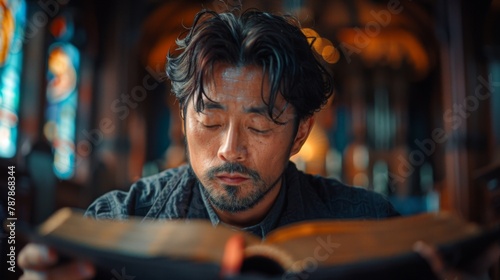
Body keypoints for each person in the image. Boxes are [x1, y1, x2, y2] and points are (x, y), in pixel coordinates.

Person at [18, 7, 499, 280]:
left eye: (261, 126)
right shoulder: (119, 222)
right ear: (183, 118)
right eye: (209, 121)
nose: (231, 149)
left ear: (301, 133)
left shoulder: (366, 224)